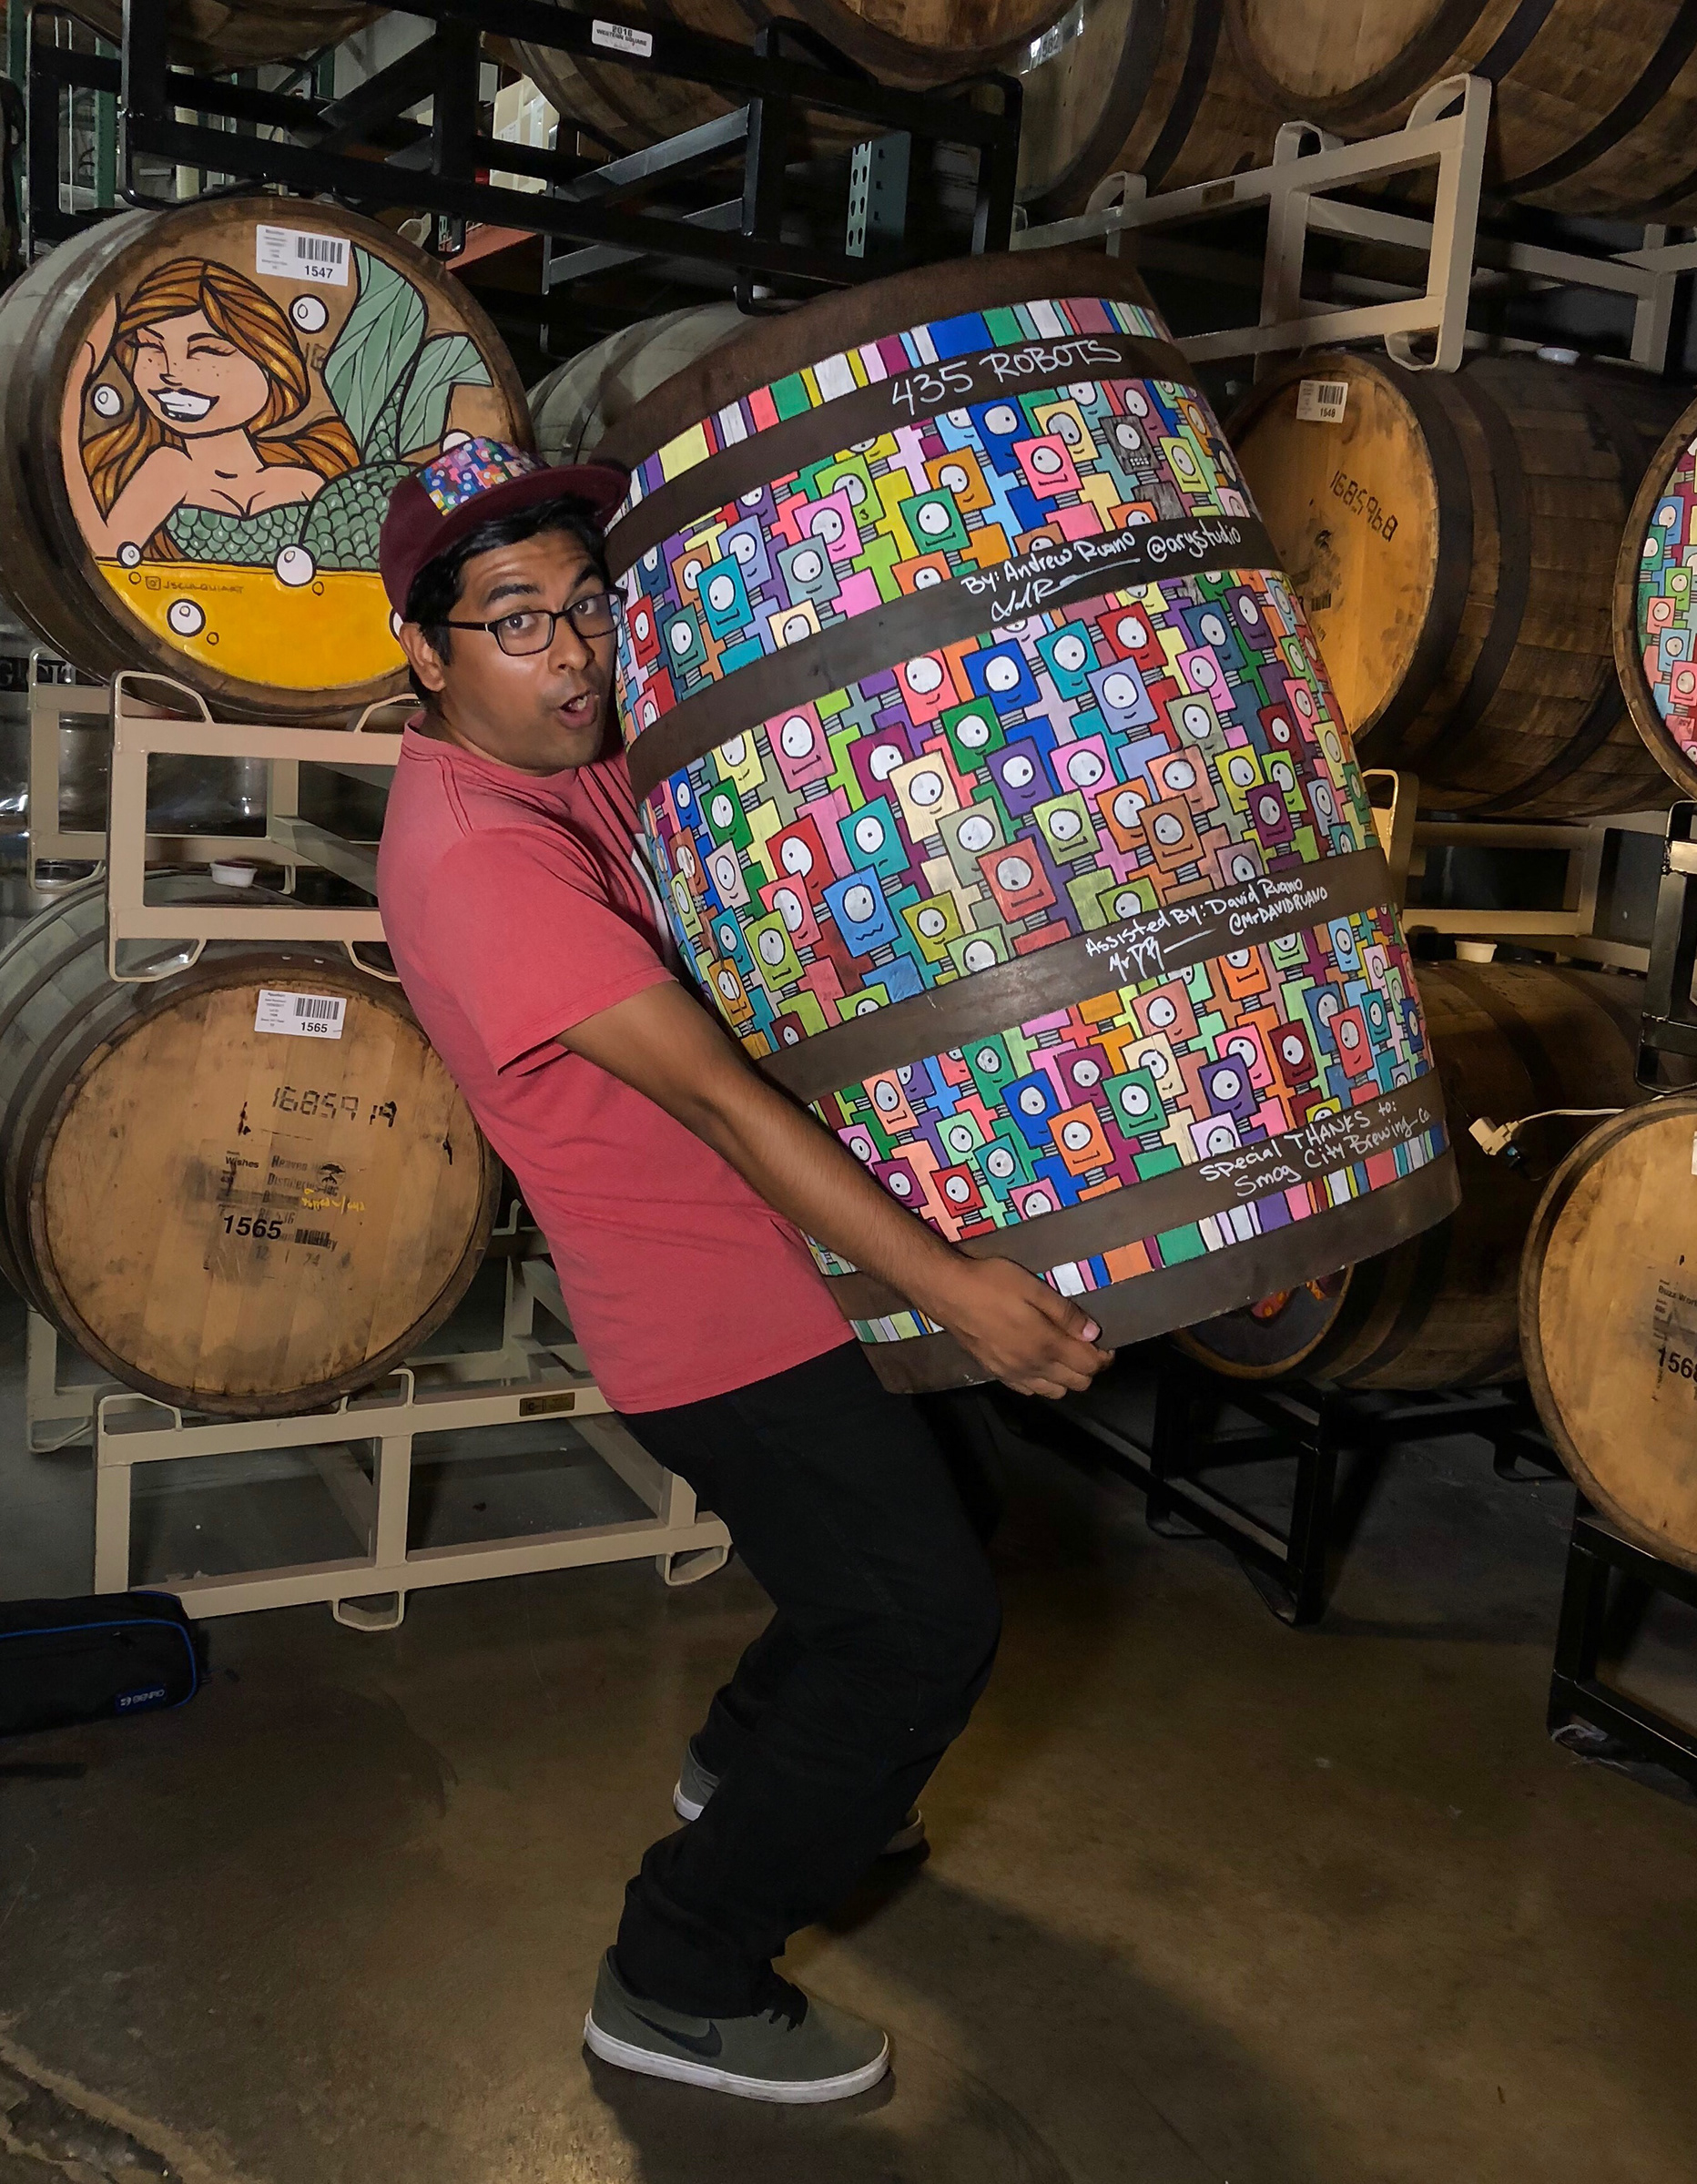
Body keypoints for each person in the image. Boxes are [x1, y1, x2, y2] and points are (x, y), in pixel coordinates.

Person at [374, 436, 1112, 2106]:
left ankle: (745, 1764)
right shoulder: (483, 857)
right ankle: (679, 1972)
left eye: (588, 603)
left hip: (792, 1277)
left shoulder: (563, 763)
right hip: (720, 1325)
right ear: (424, 650)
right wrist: (960, 1286)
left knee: (933, 1521)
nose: (574, 652)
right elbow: (716, 1093)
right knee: (921, 1628)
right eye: (515, 620)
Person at [63, 257, 358, 562]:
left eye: (206, 349)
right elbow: (110, 556)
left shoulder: (304, 481)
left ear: (269, 360)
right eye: (151, 346)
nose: (171, 372)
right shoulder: (170, 471)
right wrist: (74, 390)